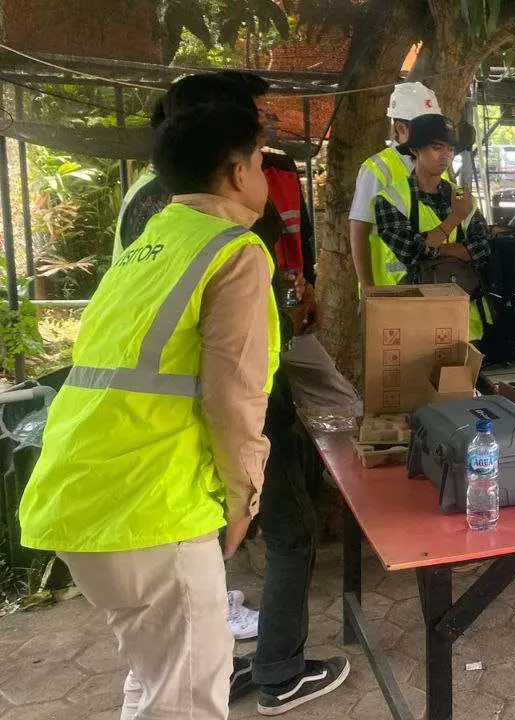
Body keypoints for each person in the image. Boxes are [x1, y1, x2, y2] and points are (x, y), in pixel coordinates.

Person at [18, 103, 275, 720]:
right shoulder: (234, 251)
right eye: (262, 161)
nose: (265, 175)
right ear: (238, 172)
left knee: (155, 679)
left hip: (81, 494)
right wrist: (244, 497)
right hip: (151, 506)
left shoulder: (149, 244)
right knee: (187, 698)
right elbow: (233, 395)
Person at [115, 71, 352, 715]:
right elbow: (227, 363)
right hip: (207, 419)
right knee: (288, 527)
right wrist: (245, 485)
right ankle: (278, 671)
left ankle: (228, 661)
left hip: (156, 439)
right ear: (224, 152)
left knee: (162, 668)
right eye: (252, 123)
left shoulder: (162, 202)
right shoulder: (201, 214)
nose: (263, 132)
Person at [372, 113, 491, 341]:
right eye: (437, 147)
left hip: (465, 325)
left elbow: (483, 249)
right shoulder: (391, 199)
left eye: (450, 149)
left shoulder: (461, 196)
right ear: (415, 150)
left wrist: (433, 248)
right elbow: (412, 253)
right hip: (412, 322)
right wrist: (454, 219)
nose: (445, 155)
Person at [349, 82, 442, 289]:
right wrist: (367, 288)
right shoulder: (377, 168)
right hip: (390, 287)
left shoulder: (435, 163)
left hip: (433, 279)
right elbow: (359, 230)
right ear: (401, 128)